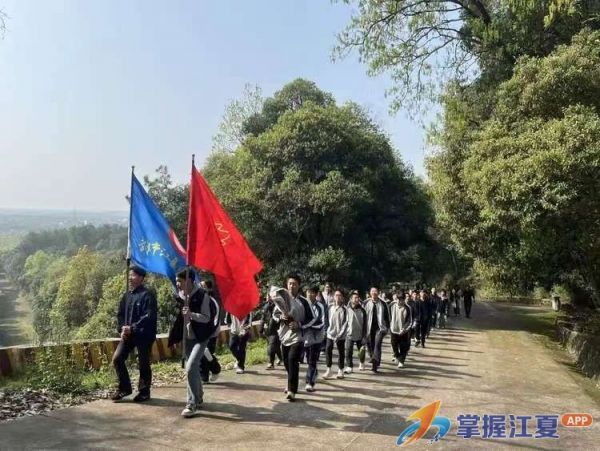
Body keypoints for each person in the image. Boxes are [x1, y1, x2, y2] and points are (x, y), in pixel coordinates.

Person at [168, 268, 218, 418]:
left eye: (180, 281)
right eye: (176, 281)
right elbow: (177, 320)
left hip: (201, 337)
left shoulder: (203, 296)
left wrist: (191, 314)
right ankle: (199, 397)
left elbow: (206, 317)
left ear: (189, 280)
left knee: (190, 367)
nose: (177, 284)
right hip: (187, 337)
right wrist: (175, 338)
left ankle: (191, 403)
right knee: (193, 369)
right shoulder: (179, 296)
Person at [111, 265, 157, 403]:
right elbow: (120, 314)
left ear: (141, 278)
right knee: (117, 358)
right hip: (128, 334)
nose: (130, 278)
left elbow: (149, 316)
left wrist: (133, 328)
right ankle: (124, 388)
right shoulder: (127, 295)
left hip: (143, 334)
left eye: (133, 275)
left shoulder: (147, 295)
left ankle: (144, 392)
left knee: (143, 363)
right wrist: (122, 329)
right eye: (129, 275)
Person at [272, 274, 314, 401]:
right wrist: (281, 317)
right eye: (290, 283)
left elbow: (312, 319)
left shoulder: (304, 302)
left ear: (299, 286)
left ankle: (291, 390)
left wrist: (299, 324)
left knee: (292, 359)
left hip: (298, 336)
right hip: (284, 336)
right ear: (287, 285)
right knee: (286, 361)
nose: (292, 286)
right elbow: (275, 315)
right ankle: (291, 381)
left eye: (294, 284)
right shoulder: (281, 299)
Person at [303, 286, 326, 392]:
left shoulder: (320, 306)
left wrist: (305, 325)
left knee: (312, 360)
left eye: (312, 292)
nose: (309, 294)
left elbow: (320, 321)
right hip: (305, 337)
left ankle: (309, 383)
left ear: (316, 294)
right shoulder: (303, 304)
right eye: (308, 292)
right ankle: (314, 372)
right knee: (308, 359)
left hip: (316, 337)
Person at [199, 279, 222, 383]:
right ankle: (204, 377)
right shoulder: (201, 300)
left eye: (203, 286)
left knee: (206, 353)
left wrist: (209, 331)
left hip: (211, 333)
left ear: (209, 289)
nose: (201, 288)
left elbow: (215, 319)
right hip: (201, 333)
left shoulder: (212, 301)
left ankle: (216, 369)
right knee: (201, 354)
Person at [323, 290, 348, 379]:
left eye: (339, 295)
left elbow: (345, 323)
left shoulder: (345, 309)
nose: (338, 297)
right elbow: (326, 319)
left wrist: (340, 335)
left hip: (340, 335)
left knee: (341, 352)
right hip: (330, 333)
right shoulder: (330, 307)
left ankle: (340, 370)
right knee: (328, 349)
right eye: (336, 295)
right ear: (334, 297)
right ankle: (329, 370)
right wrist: (326, 330)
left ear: (342, 298)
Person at [364, 287, 389, 373]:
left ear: (378, 293)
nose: (374, 293)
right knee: (371, 345)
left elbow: (387, 316)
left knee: (377, 343)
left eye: (375, 291)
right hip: (369, 327)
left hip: (380, 328)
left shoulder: (383, 303)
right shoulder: (366, 303)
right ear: (370, 293)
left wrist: (387, 327)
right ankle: (375, 363)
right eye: (372, 291)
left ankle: (375, 362)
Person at [344, 290, 367, 373]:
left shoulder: (363, 310)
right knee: (348, 351)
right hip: (349, 334)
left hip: (360, 334)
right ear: (351, 299)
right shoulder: (346, 309)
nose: (357, 299)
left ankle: (362, 362)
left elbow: (365, 324)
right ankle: (349, 366)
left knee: (361, 351)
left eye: (358, 298)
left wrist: (364, 336)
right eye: (355, 298)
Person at [389, 292, 412, 368]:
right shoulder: (391, 305)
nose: (400, 301)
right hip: (393, 330)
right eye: (398, 299)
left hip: (403, 331)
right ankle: (397, 356)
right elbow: (388, 316)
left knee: (403, 347)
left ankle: (401, 361)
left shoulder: (407, 308)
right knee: (394, 345)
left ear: (404, 300)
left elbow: (409, 321)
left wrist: (405, 329)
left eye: (402, 300)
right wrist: (389, 326)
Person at [261, 293, 283, 369]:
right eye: (267, 296)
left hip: (276, 329)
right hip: (268, 330)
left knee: (271, 346)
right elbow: (263, 318)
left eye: (270, 296)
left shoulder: (278, 305)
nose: (268, 297)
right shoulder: (265, 306)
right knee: (275, 347)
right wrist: (261, 329)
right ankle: (280, 358)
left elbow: (281, 317)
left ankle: (271, 363)